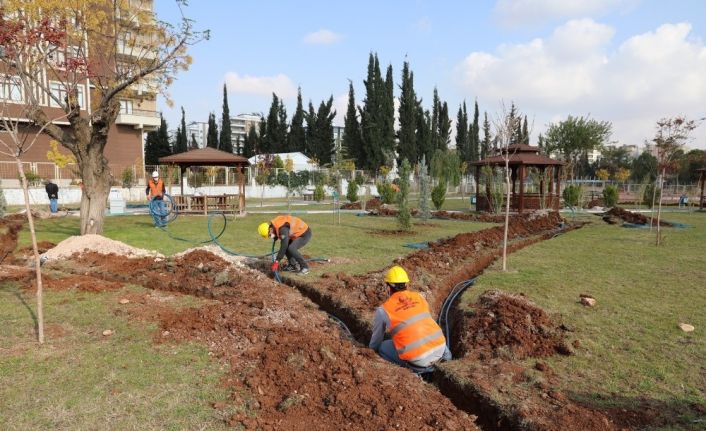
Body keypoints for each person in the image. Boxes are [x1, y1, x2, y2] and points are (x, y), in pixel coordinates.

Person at [369, 266, 451, 373]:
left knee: (383, 347)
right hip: (441, 349)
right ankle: (447, 360)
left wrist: (370, 352)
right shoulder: (419, 297)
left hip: (418, 362)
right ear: (407, 284)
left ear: (387, 287)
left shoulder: (383, 310)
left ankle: (412, 373)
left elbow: (376, 340)